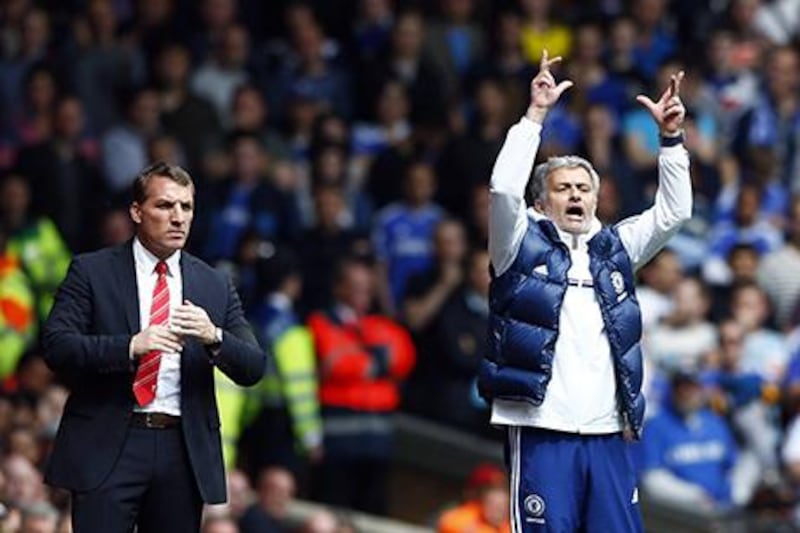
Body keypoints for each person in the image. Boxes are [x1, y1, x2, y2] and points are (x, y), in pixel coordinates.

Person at [478, 50, 692, 532]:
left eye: (583, 187)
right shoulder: (515, 245)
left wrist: (671, 141)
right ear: (541, 200)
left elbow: (674, 214)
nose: (575, 195)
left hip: (607, 431)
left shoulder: (614, 249)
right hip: (540, 428)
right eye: (563, 188)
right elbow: (502, 191)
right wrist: (535, 116)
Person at [41, 161, 266, 532]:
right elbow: (57, 347)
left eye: (186, 207)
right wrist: (129, 346)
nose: (178, 217)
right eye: (164, 206)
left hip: (183, 448)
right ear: (136, 212)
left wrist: (214, 337)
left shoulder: (214, 284)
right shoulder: (91, 271)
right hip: (110, 441)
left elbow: (254, 367)